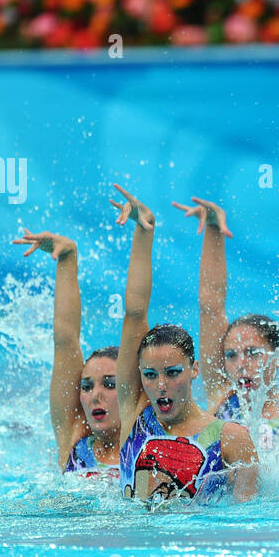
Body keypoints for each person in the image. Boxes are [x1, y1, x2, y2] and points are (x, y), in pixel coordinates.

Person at [109, 183, 259, 504]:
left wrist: (215, 231)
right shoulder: (135, 412)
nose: (160, 385)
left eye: (173, 372)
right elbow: (135, 313)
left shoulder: (229, 439)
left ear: (194, 369)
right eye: (149, 375)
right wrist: (143, 229)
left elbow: (251, 523)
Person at [172, 196, 279, 451]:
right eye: (231, 355)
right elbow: (210, 306)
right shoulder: (222, 395)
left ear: (278, 357)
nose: (241, 365)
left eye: (253, 353)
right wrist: (213, 228)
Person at [12, 229, 120, 477]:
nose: (95, 396)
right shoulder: (74, 435)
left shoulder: (143, 444)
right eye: (86, 386)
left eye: (110, 384)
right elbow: (65, 339)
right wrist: (67, 257)